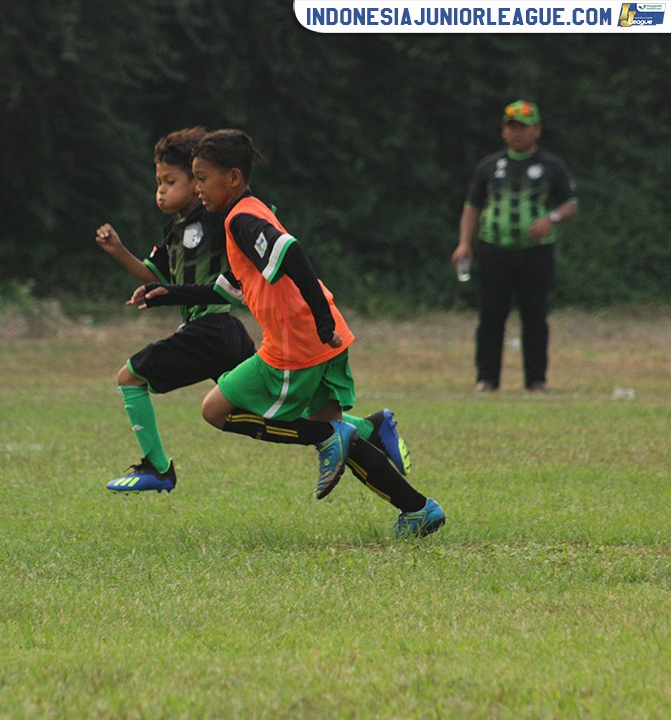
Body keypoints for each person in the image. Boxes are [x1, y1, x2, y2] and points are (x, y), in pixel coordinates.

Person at [133, 129, 444, 537]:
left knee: (215, 410)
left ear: (232, 177)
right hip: (321, 338)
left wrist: (319, 320)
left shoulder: (242, 218)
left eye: (203, 177)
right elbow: (227, 288)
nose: (197, 187)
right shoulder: (245, 215)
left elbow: (292, 251)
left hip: (296, 344)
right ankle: (418, 509)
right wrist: (166, 294)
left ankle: (326, 436)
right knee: (341, 434)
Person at [452, 100, 579, 393]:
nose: (516, 133)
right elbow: (472, 206)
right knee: (490, 318)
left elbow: (570, 203)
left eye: (522, 127)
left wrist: (552, 219)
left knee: (535, 316)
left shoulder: (550, 166)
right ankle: (486, 380)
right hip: (494, 250)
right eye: (511, 127)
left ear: (536, 130)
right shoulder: (490, 166)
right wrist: (464, 244)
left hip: (536, 253)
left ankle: (536, 380)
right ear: (503, 131)